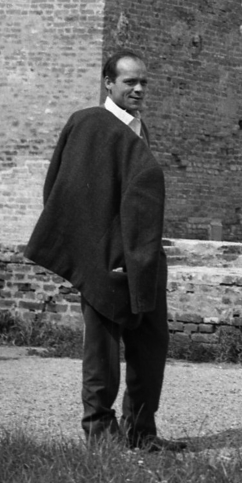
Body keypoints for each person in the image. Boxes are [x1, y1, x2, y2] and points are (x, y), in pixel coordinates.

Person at [25, 51, 186, 452]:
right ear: (108, 83)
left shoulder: (138, 128)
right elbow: (63, 193)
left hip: (145, 256)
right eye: (130, 81)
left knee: (151, 345)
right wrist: (97, 250)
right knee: (103, 350)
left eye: (143, 82)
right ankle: (98, 430)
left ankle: (140, 431)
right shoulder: (90, 124)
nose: (138, 89)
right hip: (105, 259)